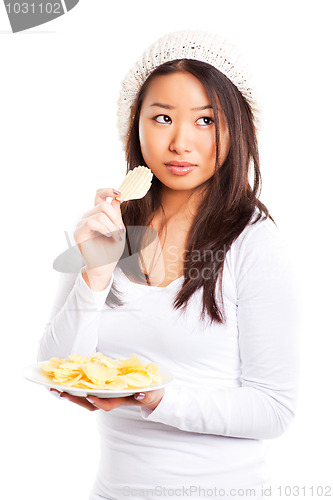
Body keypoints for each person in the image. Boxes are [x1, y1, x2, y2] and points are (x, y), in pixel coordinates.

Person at [38, 30, 299, 500]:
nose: (181, 142)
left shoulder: (255, 243)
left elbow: (274, 409)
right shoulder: (107, 228)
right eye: (162, 117)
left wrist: (151, 398)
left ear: (237, 129)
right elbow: (56, 366)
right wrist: (95, 273)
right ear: (135, 124)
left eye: (205, 120)